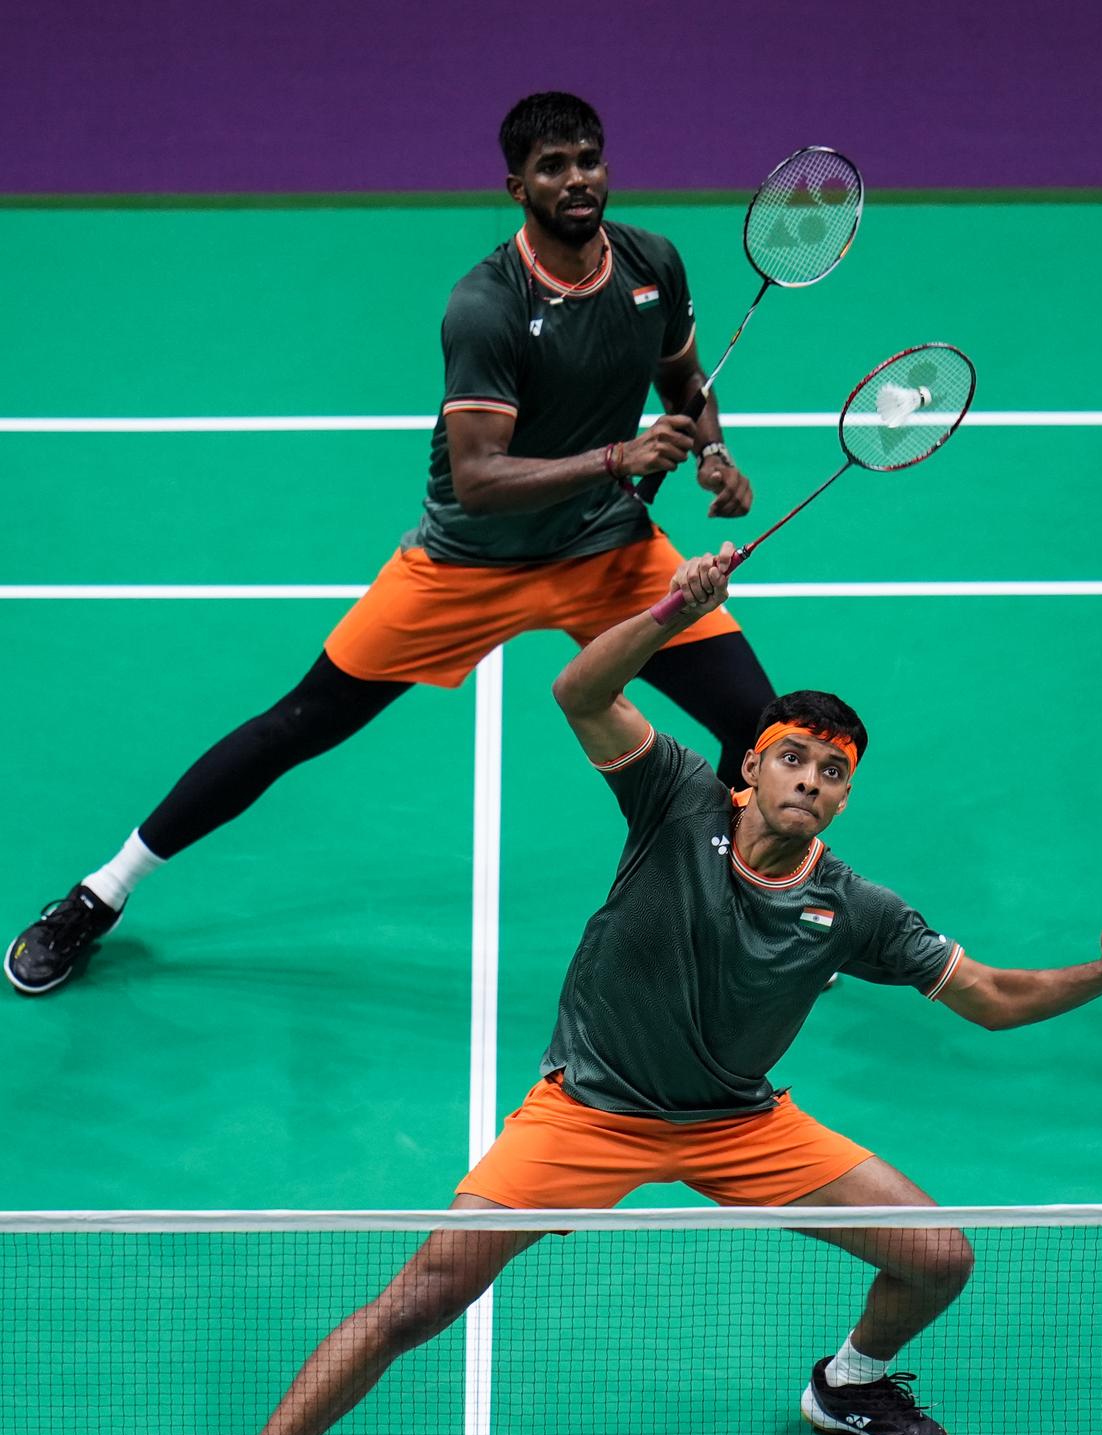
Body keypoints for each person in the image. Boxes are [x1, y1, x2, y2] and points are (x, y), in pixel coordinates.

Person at [157, 543, 1102, 1435]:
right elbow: (578, 688)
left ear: (842, 800)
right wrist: (672, 608)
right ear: (750, 770)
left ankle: (850, 1384)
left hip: (739, 1123)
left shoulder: (857, 910)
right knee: (423, 1297)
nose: (811, 783)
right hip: (590, 1113)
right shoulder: (674, 801)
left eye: (833, 774)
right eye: (793, 760)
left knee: (938, 1256)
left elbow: (992, 997)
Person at [6, 91, 770, 996]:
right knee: (299, 724)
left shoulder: (652, 264)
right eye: (554, 167)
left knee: (759, 728)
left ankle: (730, 909)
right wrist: (618, 455)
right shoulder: (486, 306)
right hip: (467, 565)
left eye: (589, 160)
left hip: (606, 550)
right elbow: (480, 476)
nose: (578, 180)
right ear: (516, 184)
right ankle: (100, 896)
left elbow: (684, 382)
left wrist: (713, 451)